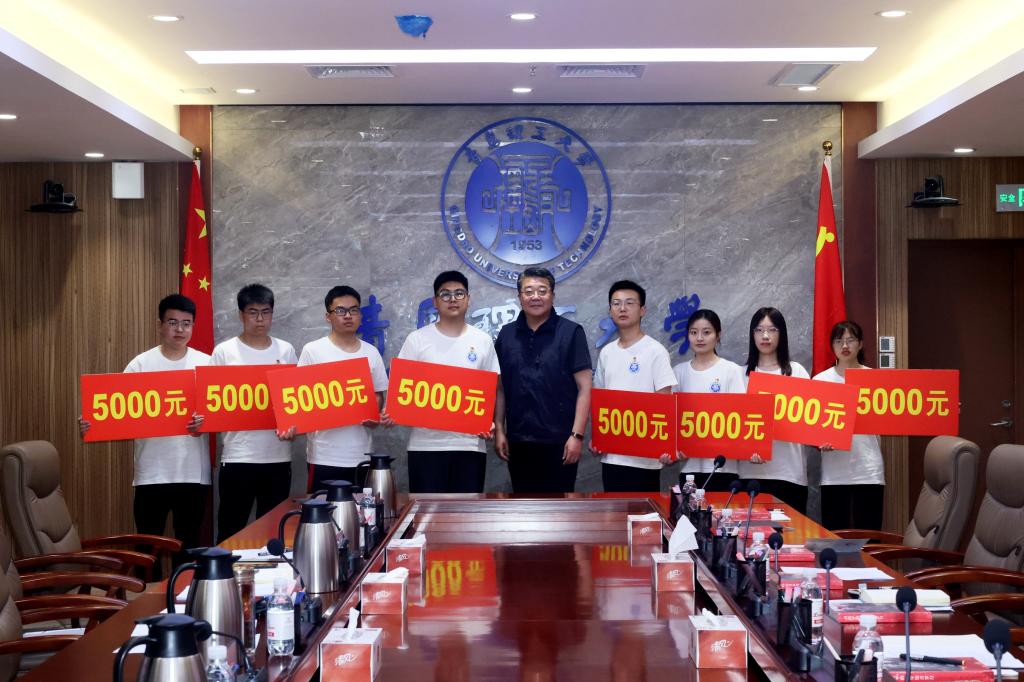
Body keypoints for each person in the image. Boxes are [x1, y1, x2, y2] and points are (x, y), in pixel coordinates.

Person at [79, 294, 209, 566]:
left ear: (193, 326)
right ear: (160, 325)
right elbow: (116, 411)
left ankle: (185, 593)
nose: (179, 329)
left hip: (193, 472)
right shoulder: (140, 364)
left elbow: (220, 414)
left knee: (189, 547)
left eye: (186, 323)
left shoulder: (207, 364)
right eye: (172, 322)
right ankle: (145, 595)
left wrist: (206, 422)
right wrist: (92, 423)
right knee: (147, 549)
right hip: (151, 473)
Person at [393, 271, 500, 493]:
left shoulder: (482, 340)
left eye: (459, 293)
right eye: (445, 294)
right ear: (435, 301)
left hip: (470, 446)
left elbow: (491, 390)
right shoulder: (417, 340)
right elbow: (402, 390)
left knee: (465, 512)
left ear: (468, 299)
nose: (453, 299)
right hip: (425, 447)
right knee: (426, 512)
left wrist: (489, 422)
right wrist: (394, 410)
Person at [210, 284, 297, 542]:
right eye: (253, 312)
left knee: (274, 534)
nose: (260, 319)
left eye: (265, 312)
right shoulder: (224, 352)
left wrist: (294, 426)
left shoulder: (285, 350)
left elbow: (294, 401)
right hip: (238, 457)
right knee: (231, 530)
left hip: (277, 458)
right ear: (241, 315)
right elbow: (212, 403)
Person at [494, 267, 592, 493]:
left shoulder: (571, 332)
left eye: (542, 291)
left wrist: (576, 435)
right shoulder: (507, 335)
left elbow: (585, 388)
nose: (535, 297)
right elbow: (500, 388)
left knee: (560, 508)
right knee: (523, 506)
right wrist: (499, 428)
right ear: (520, 297)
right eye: (528, 291)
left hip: (561, 442)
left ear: (552, 295)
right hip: (518, 441)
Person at [289, 286, 389, 493]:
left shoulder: (371, 353)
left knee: (362, 511)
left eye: (354, 310)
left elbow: (378, 396)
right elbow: (299, 399)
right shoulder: (313, 351)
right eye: (340, 311)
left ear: (360, 315)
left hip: (361, 454)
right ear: (328, 316)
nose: (348, 316)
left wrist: (373, 416)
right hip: (323, 455)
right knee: (322, 510)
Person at [590, 280, 677, 492]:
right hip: (612, 456)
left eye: (629, 303)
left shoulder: (655, 351)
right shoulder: (607, 353)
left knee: (643, 513)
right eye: (616, 303)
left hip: (644, 459)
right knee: (613, 511)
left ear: (642, 310)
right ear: (610, 310)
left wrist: (666, 446)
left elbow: (664, 401)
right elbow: (600, 400)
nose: (622, 308)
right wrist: (597, 437)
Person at [813, 320, 885, 530]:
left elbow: (907, 412)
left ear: (860, 344)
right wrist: (818, 442)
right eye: (839, 341)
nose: (844, 345)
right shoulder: (820, 381)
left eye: (850, 340)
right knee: (835, 537)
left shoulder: (876, 379)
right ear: (832, 346)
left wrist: (946, 409)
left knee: (869, 538)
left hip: (868, 470)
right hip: (834, 473)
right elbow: (811, 426)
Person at [739, 306, 810, 512]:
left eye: (772, 330)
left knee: (791, 532)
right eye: (759, 330)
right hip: (750, 474)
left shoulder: (796, 372)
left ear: (782, 334)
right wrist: (747, 449)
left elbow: (811, 420)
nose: (765, 336)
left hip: (790, 473)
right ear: (752, 334)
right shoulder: (740, 374)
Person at [672, 309, 746, 491]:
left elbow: (740, 417)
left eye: (706, 332)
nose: (699, 338)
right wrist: (674, 449)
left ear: (718, 335)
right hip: (689, 469)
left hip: (723, 468)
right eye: (693, 332)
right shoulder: (679, 372)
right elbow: (671, 419)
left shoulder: (731, 370)